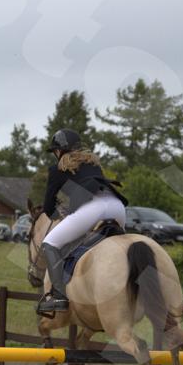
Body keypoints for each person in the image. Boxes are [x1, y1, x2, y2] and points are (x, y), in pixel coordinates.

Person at [36, 129, 128, 313]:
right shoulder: (93, 163)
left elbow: (48, 206)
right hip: (117, 207)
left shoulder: (57, 169)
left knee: (49, 243)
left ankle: (59, 296)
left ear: (59, 151)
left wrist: (57, 214)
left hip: (93, 209)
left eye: (55, 151)